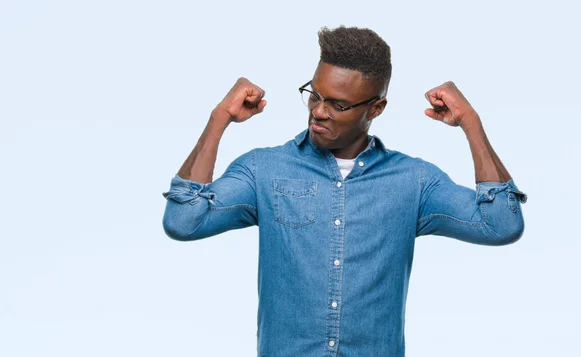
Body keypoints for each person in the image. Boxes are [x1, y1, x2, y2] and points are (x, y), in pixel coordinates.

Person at [161, 26, 527, 357]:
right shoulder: (264, 169)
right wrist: (218, 119)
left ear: (376, 108)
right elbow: (183, 221)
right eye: (314, 95)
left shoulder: (413, 181)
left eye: (337, 104)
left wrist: (471, 124)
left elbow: (500, 225)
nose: (319, 112)